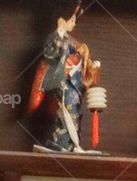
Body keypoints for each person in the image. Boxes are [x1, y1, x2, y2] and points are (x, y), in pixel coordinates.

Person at [27, 1, 101, 153]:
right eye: (72, 19)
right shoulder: (56, 37)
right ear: (61, 19)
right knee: (65, 111)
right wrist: (59, 33)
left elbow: (82, 59)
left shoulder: (73, 42)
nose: (74, 23)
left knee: (74, 111)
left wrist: (92, 66)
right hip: (63, 81)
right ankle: (62, 143)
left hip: (75, 82)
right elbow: (50, 54)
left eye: (75, 20)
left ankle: (73, 144)